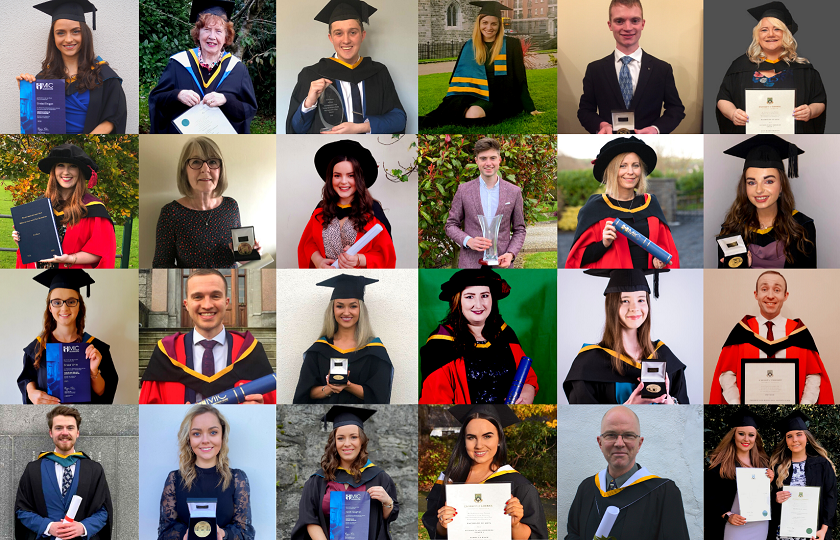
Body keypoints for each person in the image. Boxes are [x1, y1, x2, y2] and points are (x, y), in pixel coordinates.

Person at [140, 269, 276, 404]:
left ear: (226, 302)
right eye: (198, 297)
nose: (207, 305)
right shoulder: (167, 353)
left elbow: (272, 407)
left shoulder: (251, 352)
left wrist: (261, 411)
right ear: (186, 304)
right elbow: (147, 413)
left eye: (215, 296)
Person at [422, 405, 549, 539]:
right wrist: (443, 525)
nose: (479, 445)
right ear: (464, 440)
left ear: (499, 439)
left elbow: (536, 536)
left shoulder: (520, 486)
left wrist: (515, 526)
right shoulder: (448, 479)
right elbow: (433, 526)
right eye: (471, 437)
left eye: (487, 436)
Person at [563, 269, 688, 404]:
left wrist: (671, 405)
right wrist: (630, 407)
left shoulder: (664, 354)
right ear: (612, 306)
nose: (634, 308)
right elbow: (583, 421)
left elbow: (686, 416)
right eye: (625, 301)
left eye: (641, 299)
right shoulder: (588, 363)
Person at [566, 406, 690, 540]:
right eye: (611, 435)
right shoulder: (587, 488)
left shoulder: (664, 493)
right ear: (600, 443)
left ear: (639, 443)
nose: (619, 443)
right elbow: (572, 534)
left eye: (629, 435)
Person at [709, 271, 833, 404]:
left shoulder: (799, 333)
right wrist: (737, 403)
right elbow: (727, 374)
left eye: (777, 290)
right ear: (756, 294)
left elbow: (813, 376)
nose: (770, 295)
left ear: (785, 296)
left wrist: (803, 405)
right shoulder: (742, 331)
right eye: (764, 289)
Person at [419, 268, 538, 404]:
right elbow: (436, 404)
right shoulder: (440, 346)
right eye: (470, 296)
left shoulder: (504, 332)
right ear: (457, 301)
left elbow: (527, 377)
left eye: (485, 295)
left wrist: (527, 393)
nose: (479, 304)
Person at [286, 0, 406, 134]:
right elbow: (296, 130)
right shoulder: (311, 75)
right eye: (338, 33)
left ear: (362, 35)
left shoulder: (378, 72)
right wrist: (309, 103)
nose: (346, 40)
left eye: (353, 32)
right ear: (330, 38)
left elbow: (399, 119)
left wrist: (362, 127)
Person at [419, 1, 542, 128]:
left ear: (500, 25)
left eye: (494, 24)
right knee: (451, 110)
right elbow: (459, 76)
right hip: (475, 93)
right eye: (485, 23)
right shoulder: (469, 46)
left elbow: (520, 78)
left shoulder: (512, 45)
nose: (489, 28)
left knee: (472, 115)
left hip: (501, 97)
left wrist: (530, 107)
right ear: (479, 24)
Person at [565, 136, 680, 269]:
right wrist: (604, 244)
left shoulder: (650, 203)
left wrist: (659, 260)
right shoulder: (595, 208)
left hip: (645, 278)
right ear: (612, 171)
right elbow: (578, 259)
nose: (630, 172)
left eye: (635, 165)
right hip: (614, 280)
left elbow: (665, 246)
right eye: (622, 166)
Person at [16, 0, 126, 134]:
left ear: (85, 34)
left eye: (75, 31)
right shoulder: (44, 78)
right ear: (53, 38)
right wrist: (28, 91)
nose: (68, 39)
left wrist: (86, 143)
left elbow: (114, 116)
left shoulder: (104, 76)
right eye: (60, 33)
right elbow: (36, 122)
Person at [716, 2, 826, 134]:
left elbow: (819, 101)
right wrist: (733, 113)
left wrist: (810, 111)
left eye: (777, 29)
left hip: (792, 137)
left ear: (786, 34)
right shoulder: (740, 66)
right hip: (749, 136)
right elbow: (723, 98)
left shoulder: (803, 69)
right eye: (764, 30)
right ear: (757, 35)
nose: (770, 34)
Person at [148, 0, 257, 134]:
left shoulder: (238, 70)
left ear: (226, 36)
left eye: (218, 31)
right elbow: (157, 99)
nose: (212, 36)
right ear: (198, 33)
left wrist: (226, 100)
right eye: (206, 29)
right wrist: (177, 95)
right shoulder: (178, 64)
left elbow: (249, 109)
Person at [577, 0, 684, 134]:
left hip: (647, 143)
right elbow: (585, 110)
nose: (628, 27)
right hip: (610, 141)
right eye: (619, 21)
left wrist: (656, 129)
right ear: (610, 25)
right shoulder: (595, 70)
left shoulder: (662, 69)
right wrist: (601, 125)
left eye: (634, 20)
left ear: (642, 24)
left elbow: (676, 109)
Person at [291, 406, 399, 540]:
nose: (347, 443)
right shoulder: (318, 480)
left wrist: (387, 501)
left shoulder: (379, 477)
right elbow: (309, 518)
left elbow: (386, 519)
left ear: (362, 441)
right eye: (340, 438)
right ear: (334, 442)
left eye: (354, 437)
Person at [153, 136, 260, 268]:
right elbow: (161, 265)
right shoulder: (171, 213)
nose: (205, 169)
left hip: (231, 284)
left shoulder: (231, 206)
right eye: (196, 162)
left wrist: (246, 257)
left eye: (213, 162)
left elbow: (238, 256)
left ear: (221, 170)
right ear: (184, 169)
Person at [18, 269, 118, 405]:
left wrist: (93, 371)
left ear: (79, 306)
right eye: (57, 302)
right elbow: (27, 378)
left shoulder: (96, 348)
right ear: (50, 308)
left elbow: (103, 393)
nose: (64, 309)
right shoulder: (37, 347)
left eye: (71, 301)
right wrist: (31, 393)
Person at [157, 404, 255, 540]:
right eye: (196, 433)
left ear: (222, 436)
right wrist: (184, 535)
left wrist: (224, 534)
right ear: (188, 439)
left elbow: (247, 533)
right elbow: (164, 532)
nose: (205, 440)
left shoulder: (237, 479)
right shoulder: (174, 479)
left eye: (213, 432)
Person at [717, 135, 815, 268]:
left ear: (781, 186)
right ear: (744, 187)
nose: (759, 190)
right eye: (751, 182)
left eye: (769, 181)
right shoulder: (731, 228)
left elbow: (808, 279)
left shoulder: (802, 226)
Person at [15, 406, 113, 540]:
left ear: (77, 432)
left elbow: (103, 511)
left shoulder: (93, 470)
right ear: (51, 432)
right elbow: (22, 510)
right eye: (59, 428)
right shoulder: (33, 469)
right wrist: (48, 526)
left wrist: (83, 527)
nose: (65, 432)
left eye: (70, 428)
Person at [293, 274, 393, 404]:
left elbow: (379, 395)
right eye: (340, 306)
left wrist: (347, 385)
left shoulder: (374, 350)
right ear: (332, 310)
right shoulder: (319, 349)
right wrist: (329, 388)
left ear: (361, 309)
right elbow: (305, 393)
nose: (346, 312)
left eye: (353, 306)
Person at [12, 144, 116, 269]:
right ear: (54, 170)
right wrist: (23, 241)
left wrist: (70, 258)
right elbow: (33, 249)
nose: (66, 172)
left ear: (80, 171)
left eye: (73, 166)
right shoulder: (40, 206)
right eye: (60, 165)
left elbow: (101, 251)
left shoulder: (93, 209)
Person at [297, 139, 396, 269]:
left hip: (359, 283)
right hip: (325, 282)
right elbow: (308, 243)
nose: (343, 181)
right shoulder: (321, 210)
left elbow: (385, 255)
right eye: (337, 175)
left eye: (351, 175)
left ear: (360, 179)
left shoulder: (373, 214)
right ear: (330, 178)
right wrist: (318, 261)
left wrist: (359, 260)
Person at [444, 137, 526, 269]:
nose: (488, 163)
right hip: (470, 265)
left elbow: (520, 229)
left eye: (492, 158)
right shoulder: (464, 190)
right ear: (476, 161)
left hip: (502, 265)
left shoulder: (514, 191)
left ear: (499, 160)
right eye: (483, 158)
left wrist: (511, 254)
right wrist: (468, 241)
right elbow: (450, 225)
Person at [705, 409, 774, 540]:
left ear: (756, 437)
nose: (746, 439)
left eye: (751, 435)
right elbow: (710, 496)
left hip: (759, 523)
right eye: (741, 434)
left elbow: (767, 497)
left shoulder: (763, 463)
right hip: (733, 524)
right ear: (733, 435)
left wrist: (769, 482)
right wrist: (727, 515)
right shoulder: (720, 465)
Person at [768, 410, 837, 540]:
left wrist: (823, 530)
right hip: (784, 533)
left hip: (814, 533)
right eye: (789, 436)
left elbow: (831, 497)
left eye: (799, 435)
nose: (794, 440)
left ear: (806, 437)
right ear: (786, 441)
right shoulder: (778, 467)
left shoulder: (822, 464)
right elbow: (767, 501)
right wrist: (775, 499)